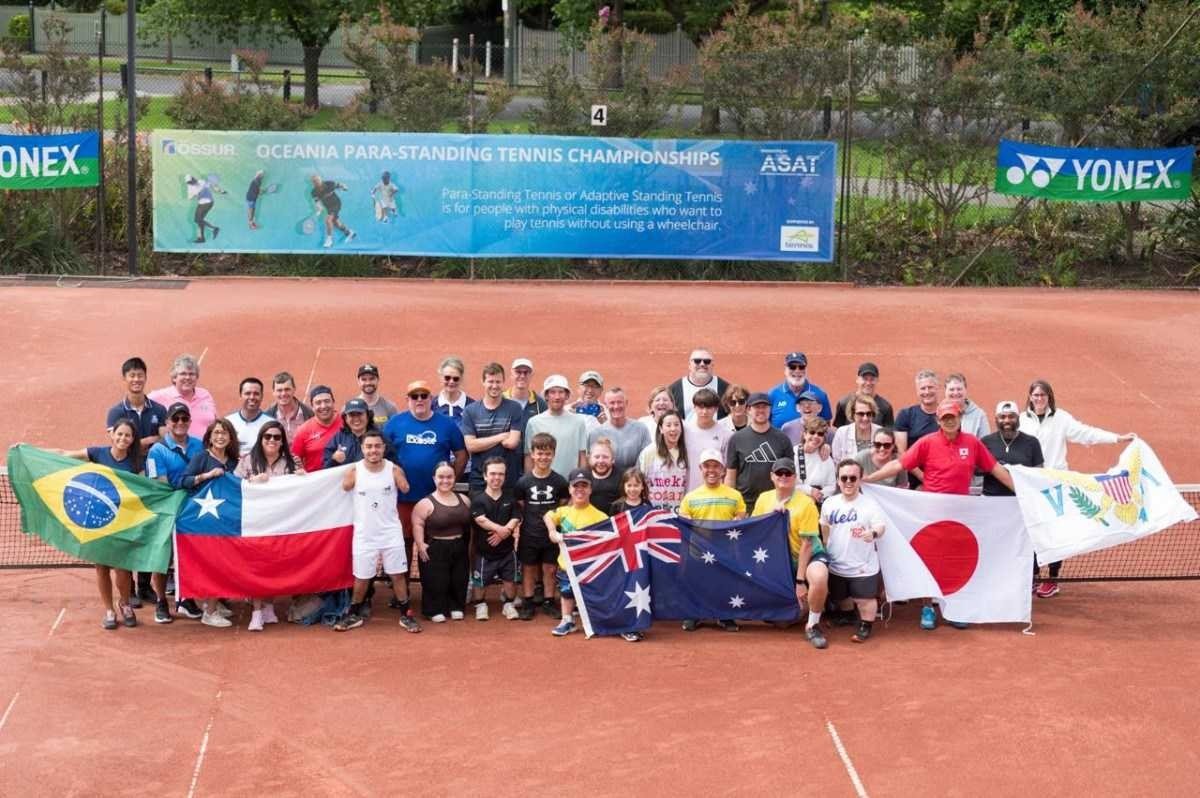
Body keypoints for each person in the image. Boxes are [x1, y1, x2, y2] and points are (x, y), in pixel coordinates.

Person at [865, 399, 1014, 630]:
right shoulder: (927, 443)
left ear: (959, 418)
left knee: (955, 562)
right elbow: (898, 465)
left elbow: (996, 469)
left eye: (952, 417)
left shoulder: (972, 444)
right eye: (945, 418)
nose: (949, 421)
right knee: (930, 561)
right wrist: (867, 480)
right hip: (931, 515)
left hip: (961, 516)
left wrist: (1020, 493)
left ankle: (955, 608)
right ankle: (927, 607)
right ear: (938, 420)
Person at [1019, 380, 1134, 598]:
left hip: (1057, 485)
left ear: (1049, 397)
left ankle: (1052, 579)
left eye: (1043, 395)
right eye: (1035, 395)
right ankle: (1033, 575)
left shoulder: (1061, 419)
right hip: (1032, 485)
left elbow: (1085, 433)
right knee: (1033, 530)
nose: (1039, 399)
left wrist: (1117, 438)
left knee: (1054, 532)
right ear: (1030, 397)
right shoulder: (1023, 420)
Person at [55, 419, 143, 630]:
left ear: (132, 440)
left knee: (123, 570)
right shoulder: (98, 454)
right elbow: (64, 454)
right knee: (102, 568)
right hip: (97, 521)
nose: (123, 439)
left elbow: (144, 489)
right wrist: (30, 450)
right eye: (119, 434)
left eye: (127, 435)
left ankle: (124, 603)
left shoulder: (136, 462)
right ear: (112, 435)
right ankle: (109, 610)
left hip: (123, 523)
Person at [332, 430, 421, 633]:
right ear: (362, 449)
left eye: (377, 446)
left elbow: (405, 488)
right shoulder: (354, 471)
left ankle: (406, 614)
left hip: (390, 532)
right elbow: (344, 488)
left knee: (398, 574)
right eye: (369, 446)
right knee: (362, 577)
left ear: (383, 448)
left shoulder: (393, 469)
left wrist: (402, 480)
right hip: (364, 534)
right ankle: (353, 613)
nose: (373, 450)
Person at [383, 380, 468, 587]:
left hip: (433, 500)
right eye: (415, 396)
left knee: (431, 545)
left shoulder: (446, 424)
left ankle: (432, 589)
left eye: (424, 396)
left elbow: (461, 454)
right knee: (403, 543)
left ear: (431, 399)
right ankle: (402, 592)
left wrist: (449, 480)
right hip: (402, 498)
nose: (419, 400)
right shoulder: (394, 423)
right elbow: (382, 454)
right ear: (407, 400)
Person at [750, 458, 827, 648]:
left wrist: (800, 581)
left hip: (806, 556)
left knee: (818, 577)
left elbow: (807, 545)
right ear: (772, 476)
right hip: (778, 560)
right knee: (783, 622)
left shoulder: (806, 503)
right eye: (779, 473)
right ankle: (809, 604)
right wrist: (772, 517)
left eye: (788, 474)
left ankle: (813, 624)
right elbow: (754, 530)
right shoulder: (763, 499)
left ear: (795, 477)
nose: (783, 477)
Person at [235, 420, 302, 631]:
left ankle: (269, 605)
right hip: (255, 523)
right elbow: (234, 486)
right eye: (267, 437)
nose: (272, 440)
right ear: (260, 439)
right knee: (257, 565)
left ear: (283, 441)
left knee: (275, 565)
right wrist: (251, 482)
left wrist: (302, 477)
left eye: (277, 437)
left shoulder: (293, 462)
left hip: (282, 523)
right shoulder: (247, 461)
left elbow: (305, 490)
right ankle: (256, 611)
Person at [145, 402, 203, 622]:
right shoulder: (157, 451)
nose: (180, 423)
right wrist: (189, 483)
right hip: (167, 511)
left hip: (193, 511)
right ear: (167, 423)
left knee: (188, 556)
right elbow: (159, 483)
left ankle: (185, 598)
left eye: (184, 419)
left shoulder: (198, 445)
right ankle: (161, 601)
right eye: (175, 419)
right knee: (163, 557)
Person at [181, 418, 241, 628]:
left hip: (227, 521)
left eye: (224, 433)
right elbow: (184, 481)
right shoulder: (201, 458)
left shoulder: (235, 461)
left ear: (231, 437)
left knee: (225, 562)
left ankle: (216, 602)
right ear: (209, 437)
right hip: (205, 522)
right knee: (215, 563)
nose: (220, 437)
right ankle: (210, 610)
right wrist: (207, 476)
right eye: (216, 433)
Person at [678, 449, 746, 634]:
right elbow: (684, 523)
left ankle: (724, 616)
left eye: (716, 466)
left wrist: (738, 519)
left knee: (724, 583)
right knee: (698, 582)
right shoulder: (690, 497)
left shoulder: (734, 495)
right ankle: (695, 614)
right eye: (707, 466)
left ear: (723, 470)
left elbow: (741, 515)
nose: (711, 470)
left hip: (725, 551)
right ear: (700, 468)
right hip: (698, 550)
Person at [820, 459, 887, 645]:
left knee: (864, 598)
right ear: (838, 480)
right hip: (837, 562)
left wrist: (872, 533)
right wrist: (825, 548)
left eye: (853, 478)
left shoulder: (870, 504)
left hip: (862, 564)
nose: (848, 481)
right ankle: (849, 616)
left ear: (860, 479)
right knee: (842, 597)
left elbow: (881, 526)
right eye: (844, 478)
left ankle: (866, 624)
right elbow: (825, 526)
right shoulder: (829, 503)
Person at [544, 469, 608, 636]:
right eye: (576, 486)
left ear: (590, 489)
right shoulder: (564, 511)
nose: (580, 490)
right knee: (566, 593)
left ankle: (594, 621)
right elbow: (548, 516)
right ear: (570, 489)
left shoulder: (600, 516)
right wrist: (552, 531)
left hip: (588, 567)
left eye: (584, 486)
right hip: (567, 565)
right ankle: (567, 620)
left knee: (591, 595)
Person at [514, 432, 569, 621]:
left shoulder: (560, 482)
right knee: (528, 568)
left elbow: (562, 506)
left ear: (553, 454)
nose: (543, 457)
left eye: (548, 453)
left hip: (551, 536)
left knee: (550, 569)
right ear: (532, 454)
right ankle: (528, 602)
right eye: (539, 453)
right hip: (529, 533)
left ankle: (548, 601)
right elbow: (521, 505)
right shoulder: (523, 482)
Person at [412, 462, 473, 623]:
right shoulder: (425, 503)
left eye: (449, 477)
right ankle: (434, 609)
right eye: (441, 477)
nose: (445, 480)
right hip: (435, 547)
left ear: (454, 478)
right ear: (434, 479)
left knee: (459, 578)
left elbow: (468, 525)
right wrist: (420, 544)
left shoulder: (465, 500)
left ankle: (456, 606)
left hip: (459, 546)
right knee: (436, 580)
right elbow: (417, 524)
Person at [469, 457, 520, 621]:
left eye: (500, 474)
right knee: (480, 584)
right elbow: (480, 520)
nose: (496, 477)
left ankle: (508, 603)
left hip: (507, 552)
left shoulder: (510, 498)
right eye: (492, 474)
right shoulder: (478, 499)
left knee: (511, 583)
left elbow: (516, 517)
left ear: (505, 477)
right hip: (484, 553)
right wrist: (501, 530)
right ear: (485, 476)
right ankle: (480, 604)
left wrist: (507, 531)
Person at [461, 362, 524, 493]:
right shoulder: (470, 411)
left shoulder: (515, 408)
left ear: (503, 382)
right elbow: (471, 446)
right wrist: (501, 436)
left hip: (507, 479)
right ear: (483, 382)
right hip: (479, 479)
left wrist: (481, 442)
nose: (494, 386)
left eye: (498, 381)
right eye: (490, 381)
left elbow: (511, 443)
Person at [725, 392, 794, 508]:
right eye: (757, 407)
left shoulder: (783, 439)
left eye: (764, 407)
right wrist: (729, 504)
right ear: (748, 410)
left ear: (770, 409)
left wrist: (786, 502)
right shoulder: (736, 439)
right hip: (744, 504)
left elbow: (791, 475)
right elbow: (731, 476)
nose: (761, 410)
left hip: (774, 505)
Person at [524, 375, 588, 479]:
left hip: (570, 484)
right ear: (546, 396)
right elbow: (528, 456)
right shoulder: (533, 422)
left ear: (567, 395)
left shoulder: (579, 422)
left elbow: (582, 455)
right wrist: (529, 483)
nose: (557, 397)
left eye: (561, 392)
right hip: (542, 485)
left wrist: (580, 480)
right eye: (552, 392)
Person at [149, 354, 218, 439]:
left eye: (192, 374)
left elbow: (215, 421)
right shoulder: (159, 396)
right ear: (174, 378)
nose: (188, 377)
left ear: (197, 377)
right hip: (176, 451)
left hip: (205, 450)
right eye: (183, 374)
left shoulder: (205, 395)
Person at [893, 369, 941, 488]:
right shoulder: (905, 415)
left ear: (937, 388)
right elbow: (901, 452)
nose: (927, 392)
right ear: (917, 391)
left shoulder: (948, 415)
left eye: (930, 387)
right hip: (912, 481)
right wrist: (922, 476)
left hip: (941, 478)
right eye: (923, 388)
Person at [106, 356, 167, 451]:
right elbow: (118, 443)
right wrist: (148, 440)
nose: (136, 379)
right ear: (124, 378)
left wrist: (135, 443)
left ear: (145, 378)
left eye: (140, 375)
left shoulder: (159, 409)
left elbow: (166, 439)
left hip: (154, 459)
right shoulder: (115, 412)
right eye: (132, 375)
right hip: (128, 463)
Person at [588, 387, 651, 473]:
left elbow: (646, 459)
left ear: (626, 403)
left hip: (633, 482)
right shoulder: (595, 434)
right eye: (612, 403)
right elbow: (592, 462)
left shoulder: (641, 429)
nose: (616, 406)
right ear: (606, 405)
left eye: (619, 402)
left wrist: (632, 478)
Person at [683, 388, 732, 492]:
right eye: (700, 407)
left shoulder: (726, 435)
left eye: (709, 408)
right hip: (688, 493)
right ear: (694, 408)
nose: (704, 412)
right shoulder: (684, 431)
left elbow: (728, 469)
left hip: (716, 494)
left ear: (716, 409)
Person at [637, 411, 688, 511]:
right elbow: (640, 481)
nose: (673, 428)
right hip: (653, 511)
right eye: (668, 425)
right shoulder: (649, 452)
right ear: (661, 429)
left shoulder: (686, 452)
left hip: (679, 512)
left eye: (677, 425)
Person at [769, 351, 832, 427]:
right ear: (785, 370)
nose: (797, 371)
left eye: (801, 367)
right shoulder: (773, 395)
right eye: (792, 367)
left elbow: (826, 425)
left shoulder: (820, 395)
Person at [290, 386, 343, 473]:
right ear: (312, 406)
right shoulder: (303, 431)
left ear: (333, 402)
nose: (323, 406)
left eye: (327, 401)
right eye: (318, 403)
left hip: (345, 481)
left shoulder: (347, 422)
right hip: (317, 483)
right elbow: (294, 460)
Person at [323, 398, 388, 468]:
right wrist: (334, 459)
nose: (356, 418)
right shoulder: (337, 439)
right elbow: (326, 467)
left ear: (368, 416)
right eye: (352, 415)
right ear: (346, 418)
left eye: (359, 414)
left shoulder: (379, 437)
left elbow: (392, 463)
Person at [668, 348, 731, 420]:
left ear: (712, 365)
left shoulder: (726, 389)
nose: (702, 364)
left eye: (707, 361)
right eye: (697, 361)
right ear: (689, 365)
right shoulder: (674, 390)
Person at [833, 362, 894, 427]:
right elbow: (839, 430)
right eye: (865, 379)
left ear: (877, 380)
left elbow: (888, 433)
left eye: (872, 379)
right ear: (857, 379)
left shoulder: (885, 407)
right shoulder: (843, 403)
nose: (868, 383)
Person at [795, 417, 837, 505]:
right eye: (812, 432)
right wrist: (810, 491)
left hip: (819, 503)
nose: (816, 436)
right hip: (796, 502)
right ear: (804, 434)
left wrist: (818, 495)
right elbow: (789, 483)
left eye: (820, 434)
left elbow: (832, 486)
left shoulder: (826, 458)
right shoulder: (793, 454)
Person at [225, 377, 271, 456]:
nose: (252, 397)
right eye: (247, 393)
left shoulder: (271, 423)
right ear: (240, 396)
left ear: (262, 396)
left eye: (256, 394)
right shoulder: (228, 422)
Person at [831, 395, 882, 463]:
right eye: (861, 414)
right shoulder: (842, 433)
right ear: (853, 414)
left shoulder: (880, 432)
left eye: (869, 414)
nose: (865, 418)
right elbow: (836, 460)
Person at [264, 371, 313, 441]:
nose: (283, 393)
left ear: (294, 389)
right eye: (279, 390)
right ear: (273, 392)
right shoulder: (267, 417)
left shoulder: (309, 414)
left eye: (287, 389)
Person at [310, 174, 355, 249]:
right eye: (314, 181)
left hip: (336, 204)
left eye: (317, 180)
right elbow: (318, 203)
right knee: (336, 223)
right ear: (313, 183)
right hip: (328, 207)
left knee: (328, 220)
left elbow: (339, 185)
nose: (316, 182)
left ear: (320, 180)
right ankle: (349, 233)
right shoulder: (313, 192)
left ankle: (329, 240)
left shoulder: (329, 184)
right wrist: (319, 209)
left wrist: (344, 187)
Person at [503, 357, 547, 427]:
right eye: (518, 372)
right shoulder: (500, 399)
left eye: (526, 372)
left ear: (531, 375)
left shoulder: (540, 404)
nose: (522, 376)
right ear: (511, 374)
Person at [945, 373, 991, 439]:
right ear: (945, 391)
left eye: (959, 389)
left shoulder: (979, 415)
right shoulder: (939, 413)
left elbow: (985, 443)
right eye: (951, 389)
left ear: (965, 390)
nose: (955, 393)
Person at [356, 363, 401, 428]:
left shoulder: (390, 408)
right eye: (364, 379)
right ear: (358, 382)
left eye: (372, 379)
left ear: (378, 380)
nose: (368, 383)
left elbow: (395, 432)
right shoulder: (349, 408)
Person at [586, 438, 622, 515]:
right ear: (589, 459)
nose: (601, 461)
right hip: (588, 522)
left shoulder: (622, 477)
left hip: (614, 522)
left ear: (613, 459)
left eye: (605, 457)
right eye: (596, 457)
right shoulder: (583, 476)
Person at [186, 174, 225, 243]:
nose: (192, 181)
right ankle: (201, 238)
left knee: (197, 220)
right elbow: (190, 197)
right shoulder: (190, 188)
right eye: (190, 181)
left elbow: (213, 186)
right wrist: (196, 193)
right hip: (204, 204)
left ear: (194, 177)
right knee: (199, 220)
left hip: (207, 203)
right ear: (188, 183)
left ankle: (214, 229)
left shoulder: (202, 181)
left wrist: (221, 191)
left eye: (193, 179)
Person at [434, 356, 474, 422]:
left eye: (456, 379)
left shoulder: (472, 407)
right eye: (447, 378)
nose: (451, 381)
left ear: (461, 379)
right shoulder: (431, 406)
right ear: (441, 377)